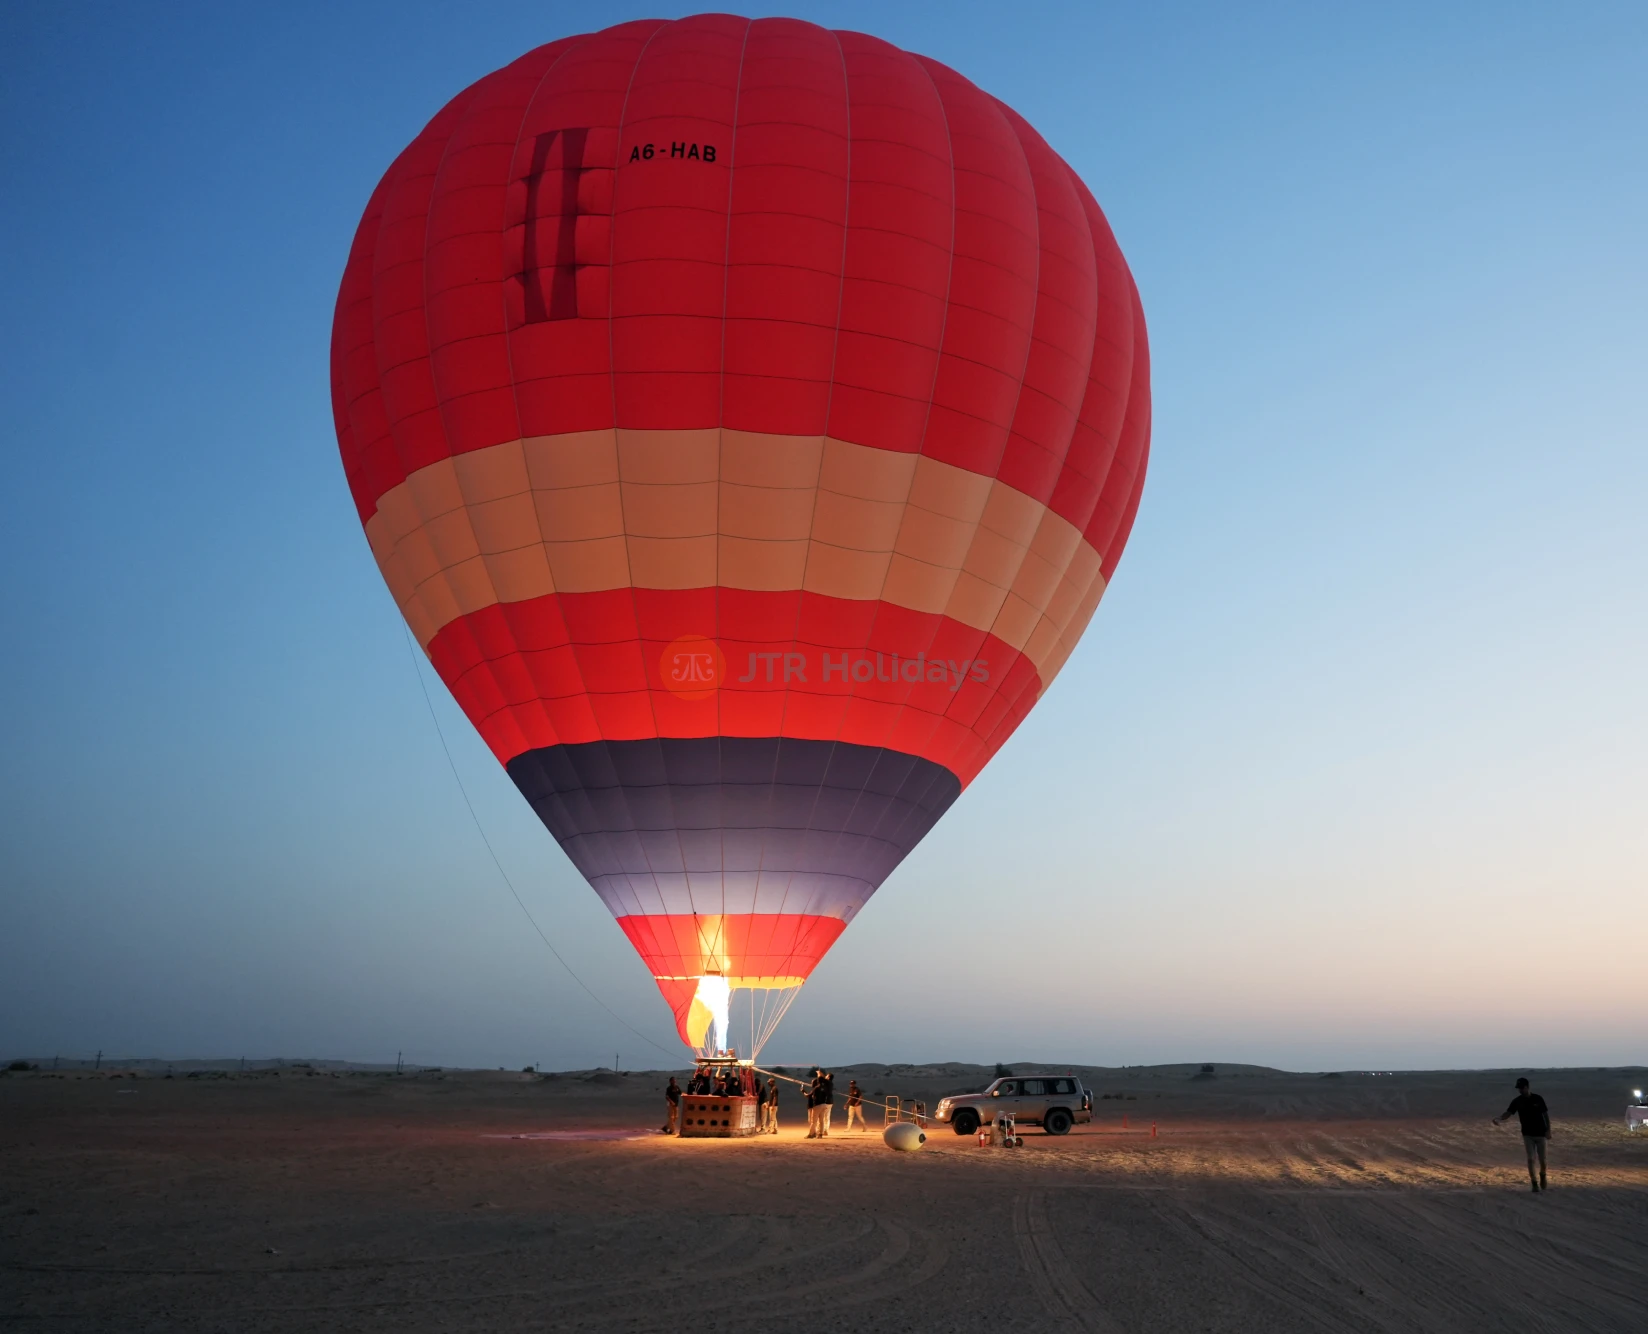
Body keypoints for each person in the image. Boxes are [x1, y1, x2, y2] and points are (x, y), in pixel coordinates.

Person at [1493, 1076, 1551, 1191]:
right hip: (1527, 1134)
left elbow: (1545, 1115)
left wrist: (1548, 1130)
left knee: (1543, 1160)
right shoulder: (1517, 1101)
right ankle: (1534, 1182)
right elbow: (1509, 1112)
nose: (1520, 1090)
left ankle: (1542, 1175)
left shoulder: (1538, 1099)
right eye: (1518, 1088)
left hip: (1540, 1134)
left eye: (1522, 1088)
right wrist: (1499, 1118)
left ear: (1527, 1087)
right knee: (1530, 1159)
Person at [805, 1068, 822, 1138]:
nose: (811, 1084)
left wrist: (803, 1091)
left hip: (814, 1106)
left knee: (812, 1121)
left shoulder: (816, 1089)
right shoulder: (817, 1089)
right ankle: (817, 1133)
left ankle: (812, 1133)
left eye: (812, 1082)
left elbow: (808, 1096)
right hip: (815, 1106)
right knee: (817, 1121)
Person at [819, 1070, 835, 1136]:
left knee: (822, 1117)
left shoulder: (828, 1082)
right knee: (827, 1117)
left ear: (828, 1077)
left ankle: (822, 1130)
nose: (826, 1076)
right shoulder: (829, 1083)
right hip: (829, 1102)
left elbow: (821, 1079)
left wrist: (819, 1074)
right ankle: (825, 1130)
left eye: (827, 1076)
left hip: (826, 1102)